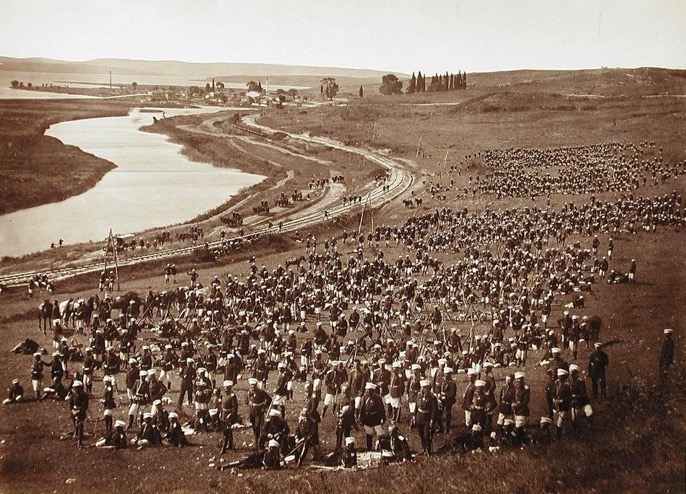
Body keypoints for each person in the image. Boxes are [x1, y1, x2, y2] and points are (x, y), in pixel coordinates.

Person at [359, 382, 386, 451]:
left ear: (372, 390)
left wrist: (382, 418)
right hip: (367, 419)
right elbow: (362, 408)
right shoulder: (365, 397)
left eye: (369, 390)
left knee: (380, 434)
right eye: (366, 390)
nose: (367, 391)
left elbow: (381, 409)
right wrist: (361, 418)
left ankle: (381, 447)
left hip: (375, 418)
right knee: (369, 434)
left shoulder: (378, 398)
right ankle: (369, 448)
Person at [414, 379, 437, 456]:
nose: (425, 389)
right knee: (421, 434)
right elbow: (416, 407)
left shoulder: (432, 397)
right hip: (419, 418)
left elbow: (434, 410)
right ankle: (423, 448)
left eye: (426, 388)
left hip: (427, 419)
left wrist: (432, 420)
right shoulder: (419, 396)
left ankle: (428, 450)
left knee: (427, 435)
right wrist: (414, 416)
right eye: (423, 388)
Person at [247, 378, 271, 449]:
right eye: (251, 385)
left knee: (258, 426)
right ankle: (256, 438)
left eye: (254, 385)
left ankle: (257, 441)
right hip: (252, 411)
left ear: (256, 385)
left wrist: (264, 407)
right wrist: (249, 403)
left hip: (259, 411)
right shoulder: (249, 392)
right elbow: (247, 399)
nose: (252, 386)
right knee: (254, 425)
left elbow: (269, 399)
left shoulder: (261, 392)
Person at [569, 364, 593, 432]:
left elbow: (582, 393)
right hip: (574, 403)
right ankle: (576, 431)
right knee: (574, 418)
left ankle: (590, 427)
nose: (572, 375)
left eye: (573, 373)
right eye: (571, 373)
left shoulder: (580, 381)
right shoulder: (569, 382)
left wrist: (577, 398)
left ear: (576, 373)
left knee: (589, 413)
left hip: (582, 401)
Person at [68, 380, 89, 448]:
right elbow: (71, 405)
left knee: (80, 425)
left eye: (76, 388)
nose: (75, 389)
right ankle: (76, 434)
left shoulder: (84, 396)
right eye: (74, 388)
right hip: (74, 412)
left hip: (81, 413)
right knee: (75, 424)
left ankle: (79, 441)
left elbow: (85, 406)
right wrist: (73, 411)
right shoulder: (73, 395)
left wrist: (78, 411)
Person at [220, 380, 238, 454]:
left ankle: (224, 446)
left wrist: (231, 414)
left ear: (230, 388)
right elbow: (221, 404)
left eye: (228, 388)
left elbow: (235, 407)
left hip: (230, 414)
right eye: (225, 387)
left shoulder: (232, 395)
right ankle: (230, 444)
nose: (226, 389)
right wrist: (221, 413)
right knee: (226, 430)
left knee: (227, 430)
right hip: (224, 413)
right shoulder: (223, 394)